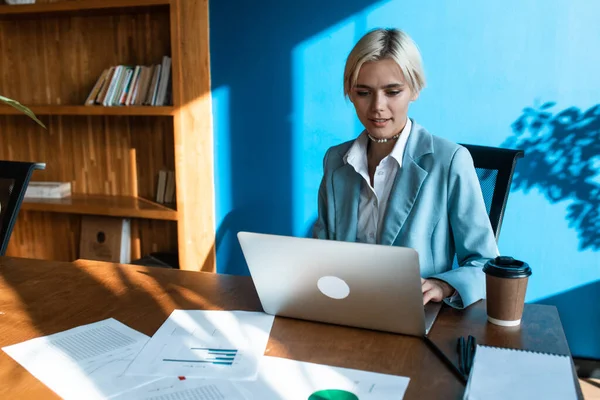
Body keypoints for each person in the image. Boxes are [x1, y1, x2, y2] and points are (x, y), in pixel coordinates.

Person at [312, 28, 499, 309]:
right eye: (364, 92)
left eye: (393, 92)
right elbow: (319, 251)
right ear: (350, 92)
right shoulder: (336, 161)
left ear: (415, 89)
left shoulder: (450, 161)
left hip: (414, 313)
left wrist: (444, 285)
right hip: (346, 308)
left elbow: (486, 264)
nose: (377, 107)